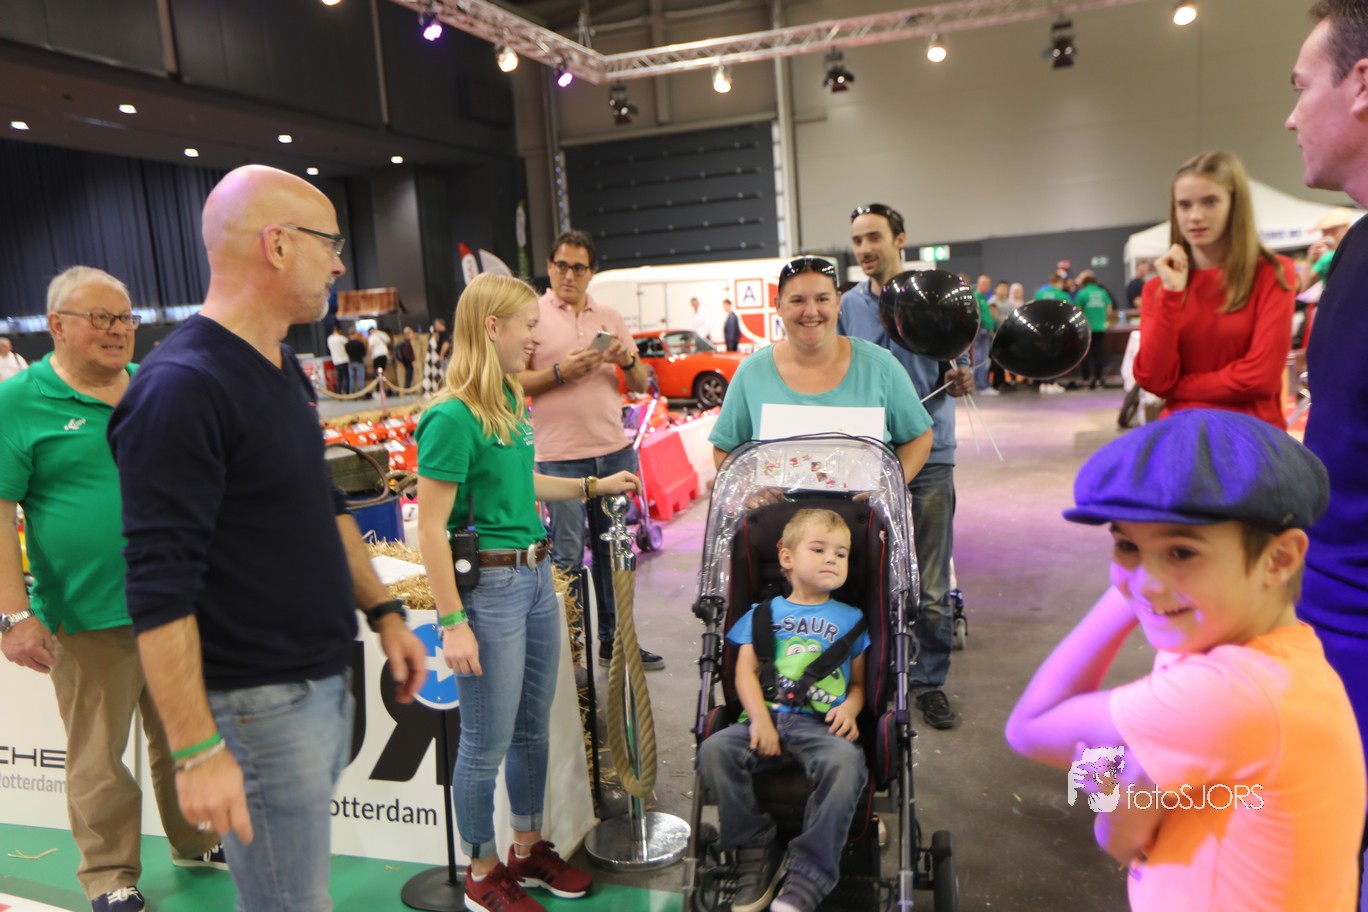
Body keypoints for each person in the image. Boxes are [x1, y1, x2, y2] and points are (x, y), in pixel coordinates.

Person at [106, 165, 426, 912]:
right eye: (330, 244)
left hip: (313, 683)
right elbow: (158, 586)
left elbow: (322, 503)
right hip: (255, 705)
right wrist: (196, 748)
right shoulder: (182, 386)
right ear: (277, 245)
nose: (340, 265)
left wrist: (385, 612)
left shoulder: (278, 364)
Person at [1006, 409, 1364, 911]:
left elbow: (1032, 729)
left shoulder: (1225, 692)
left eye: (1180, 552)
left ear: (1280, 559)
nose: (1148, 581)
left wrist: (1115, 787)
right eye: (1127, 545)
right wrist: (1131, 775)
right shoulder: (1278, 658)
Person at [0, 267, 223, 912]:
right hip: (87, 612)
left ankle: (195, 838)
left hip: (178, 603)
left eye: (124, 317)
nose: (116, 330)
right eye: (99, 317)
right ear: (56, 325)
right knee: (99, 755)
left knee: (184, 736)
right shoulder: (19, 402)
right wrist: (12, 615)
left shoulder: (156, 386)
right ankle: (108, 874)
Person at [415, 272, 640, 912]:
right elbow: (429, 528)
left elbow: (526, 482)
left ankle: (527, 847)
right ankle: (482, 872)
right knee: (485, 741)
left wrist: (593, 487)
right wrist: (452, 621)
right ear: (493, 327)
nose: (535, 339)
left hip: (538, 577)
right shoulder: (451, 416)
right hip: (490, 590)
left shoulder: (511, 398)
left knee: (531, 730)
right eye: (528, 327)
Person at [696, 509, 870, 912]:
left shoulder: (852, 620)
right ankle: (755, 847)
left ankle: (810, 873)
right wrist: (759, 718)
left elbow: (859, 684)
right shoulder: (760, 615)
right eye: (819, 549)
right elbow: (744, 673)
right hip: (763, 720)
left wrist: (850, 708)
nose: (832, 559)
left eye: (841, 554)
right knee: (714, 750)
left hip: (822, 727)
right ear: (787, 558)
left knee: (846, 764)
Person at [1287, 0, 1368, 863]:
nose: (1291, 116)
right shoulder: (1355, 251)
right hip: (1325, 617)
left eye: (1301, 86)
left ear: (1362, 84)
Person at [839, 203, 972, 730]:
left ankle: (929, 682)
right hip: (867, 459)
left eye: (874, 237)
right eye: (857, 240)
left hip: (931, 457)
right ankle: (872, 676)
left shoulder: (934, 295)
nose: (865, 249)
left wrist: (962, 377)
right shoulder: (848, 306)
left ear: (900, 239)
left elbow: (959, 364)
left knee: (931, 587)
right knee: (866, 577)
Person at [513, 229, 663, 671]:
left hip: (613, 451)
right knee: (566, 554)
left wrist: (625, 359)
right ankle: (570, 649)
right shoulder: (532, 316)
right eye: (562, 265)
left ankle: (616, 643)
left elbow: (640, 382)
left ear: (591, 272)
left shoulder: (610, 316)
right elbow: (514, 381)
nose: (569, 275)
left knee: (615, 553)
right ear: (549, 267)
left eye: (579, 268)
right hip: (559, 457)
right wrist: (561, 372)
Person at [710, 255, 934, 486]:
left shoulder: (880, 367)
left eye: (822, 299)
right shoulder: (751, 373)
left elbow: (918, 437)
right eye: (797, 300)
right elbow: (724, 448)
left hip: (863, 509)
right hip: (777, 510)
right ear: (778, 305)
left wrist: (889, 487)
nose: (810, 311)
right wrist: (749, 488)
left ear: (838, 302)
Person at [1132, 150, 1295, 429]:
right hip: (1181, 434)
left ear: (1235, 204)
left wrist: (1176, 388)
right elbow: (1152, 378)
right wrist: (1172, 295)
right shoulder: (1158, 288)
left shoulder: (1271, 273)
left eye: (1210, 202)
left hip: (1250, 435)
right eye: (1184, 205)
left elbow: (1259, 379)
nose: (1195, 216)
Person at [1074, 270, 1115, 390]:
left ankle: (1086, 380)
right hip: (1101, 328)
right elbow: (1109, 310)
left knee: (1085, 355)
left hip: (1087, 329)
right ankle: (1098, 380)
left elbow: (1077, 311)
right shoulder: (1103, 292)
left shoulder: (1082, 293)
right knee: (1098, 354)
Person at [424, 317, 451, 397]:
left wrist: (441, 355)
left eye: (436, 324)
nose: (435, 326)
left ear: (440, 324)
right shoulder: (442, 334)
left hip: (446, 359)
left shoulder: (445, 333)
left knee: (444, 375)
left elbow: (446, 344)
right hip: (446, 358)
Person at [326, 323, 350, 394]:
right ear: (339, 330)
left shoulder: (329, 339)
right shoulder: (342, 338)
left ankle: (339, 392)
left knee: (339, 378)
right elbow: (348, 344)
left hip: (336, 361)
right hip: (344, 360)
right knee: (346, 377)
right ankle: (347, 392)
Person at [345, 328, 367, 398]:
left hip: (351, 361)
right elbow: (364, 353)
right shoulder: (359, 343)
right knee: (360, 377)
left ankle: (353, 393)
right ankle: (361, 393)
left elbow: (347, 352)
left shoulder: (347, 344)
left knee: (352, 378)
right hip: (359, 361)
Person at [396, 325, 418, 390]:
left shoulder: (407, 342)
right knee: (408, 377)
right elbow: (406, 353)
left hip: (407, 362)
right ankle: (407, 391)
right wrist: (411, 360)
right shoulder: (406, 343)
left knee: (409, 377)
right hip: (408, 363)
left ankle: (408, 390)